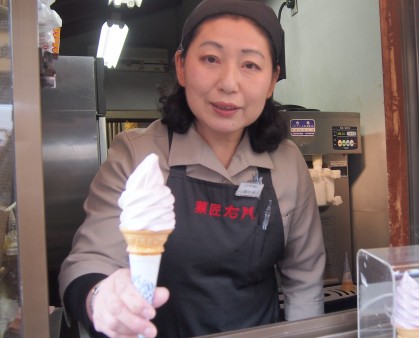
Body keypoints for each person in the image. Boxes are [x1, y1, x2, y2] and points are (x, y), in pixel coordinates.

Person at [58, 1, 326, 337]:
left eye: (250, 65)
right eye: (211, 59)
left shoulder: (287, 163)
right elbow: (88, 262)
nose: (229, 83)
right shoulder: (136, 154)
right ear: (182, 66)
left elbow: (304, 283)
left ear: (272, 81)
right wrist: (101, 299)